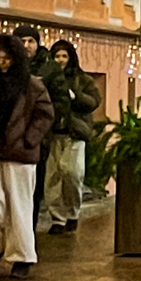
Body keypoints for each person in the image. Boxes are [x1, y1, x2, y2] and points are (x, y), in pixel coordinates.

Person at [0, 32, 54, 279]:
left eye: (7, 58)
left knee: (19, 205)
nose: (2, 63)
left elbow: (45, 114)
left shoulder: (33, 85)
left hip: (20, 152)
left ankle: (21, 257)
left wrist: (29, 139)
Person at [41, 39, 101, 235]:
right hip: (53, 133)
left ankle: (72, 213)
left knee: (72, 173)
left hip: (74, 132)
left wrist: (75, 96)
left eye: (64, 56)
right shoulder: (47, 77)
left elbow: (93, 101)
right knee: (52, 178)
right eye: (57, 56)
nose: (60, 60)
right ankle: (58, 219)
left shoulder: (82, 79)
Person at [15, 24, 54, 219]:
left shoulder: (48, 69)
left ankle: (29, 230)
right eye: (22, 41)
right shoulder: (6, 66)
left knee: (34, 188)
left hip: (37, 139)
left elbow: (55, 104)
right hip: (11, 141)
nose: (26, 45)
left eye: (31, 41)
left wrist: (35, 135)